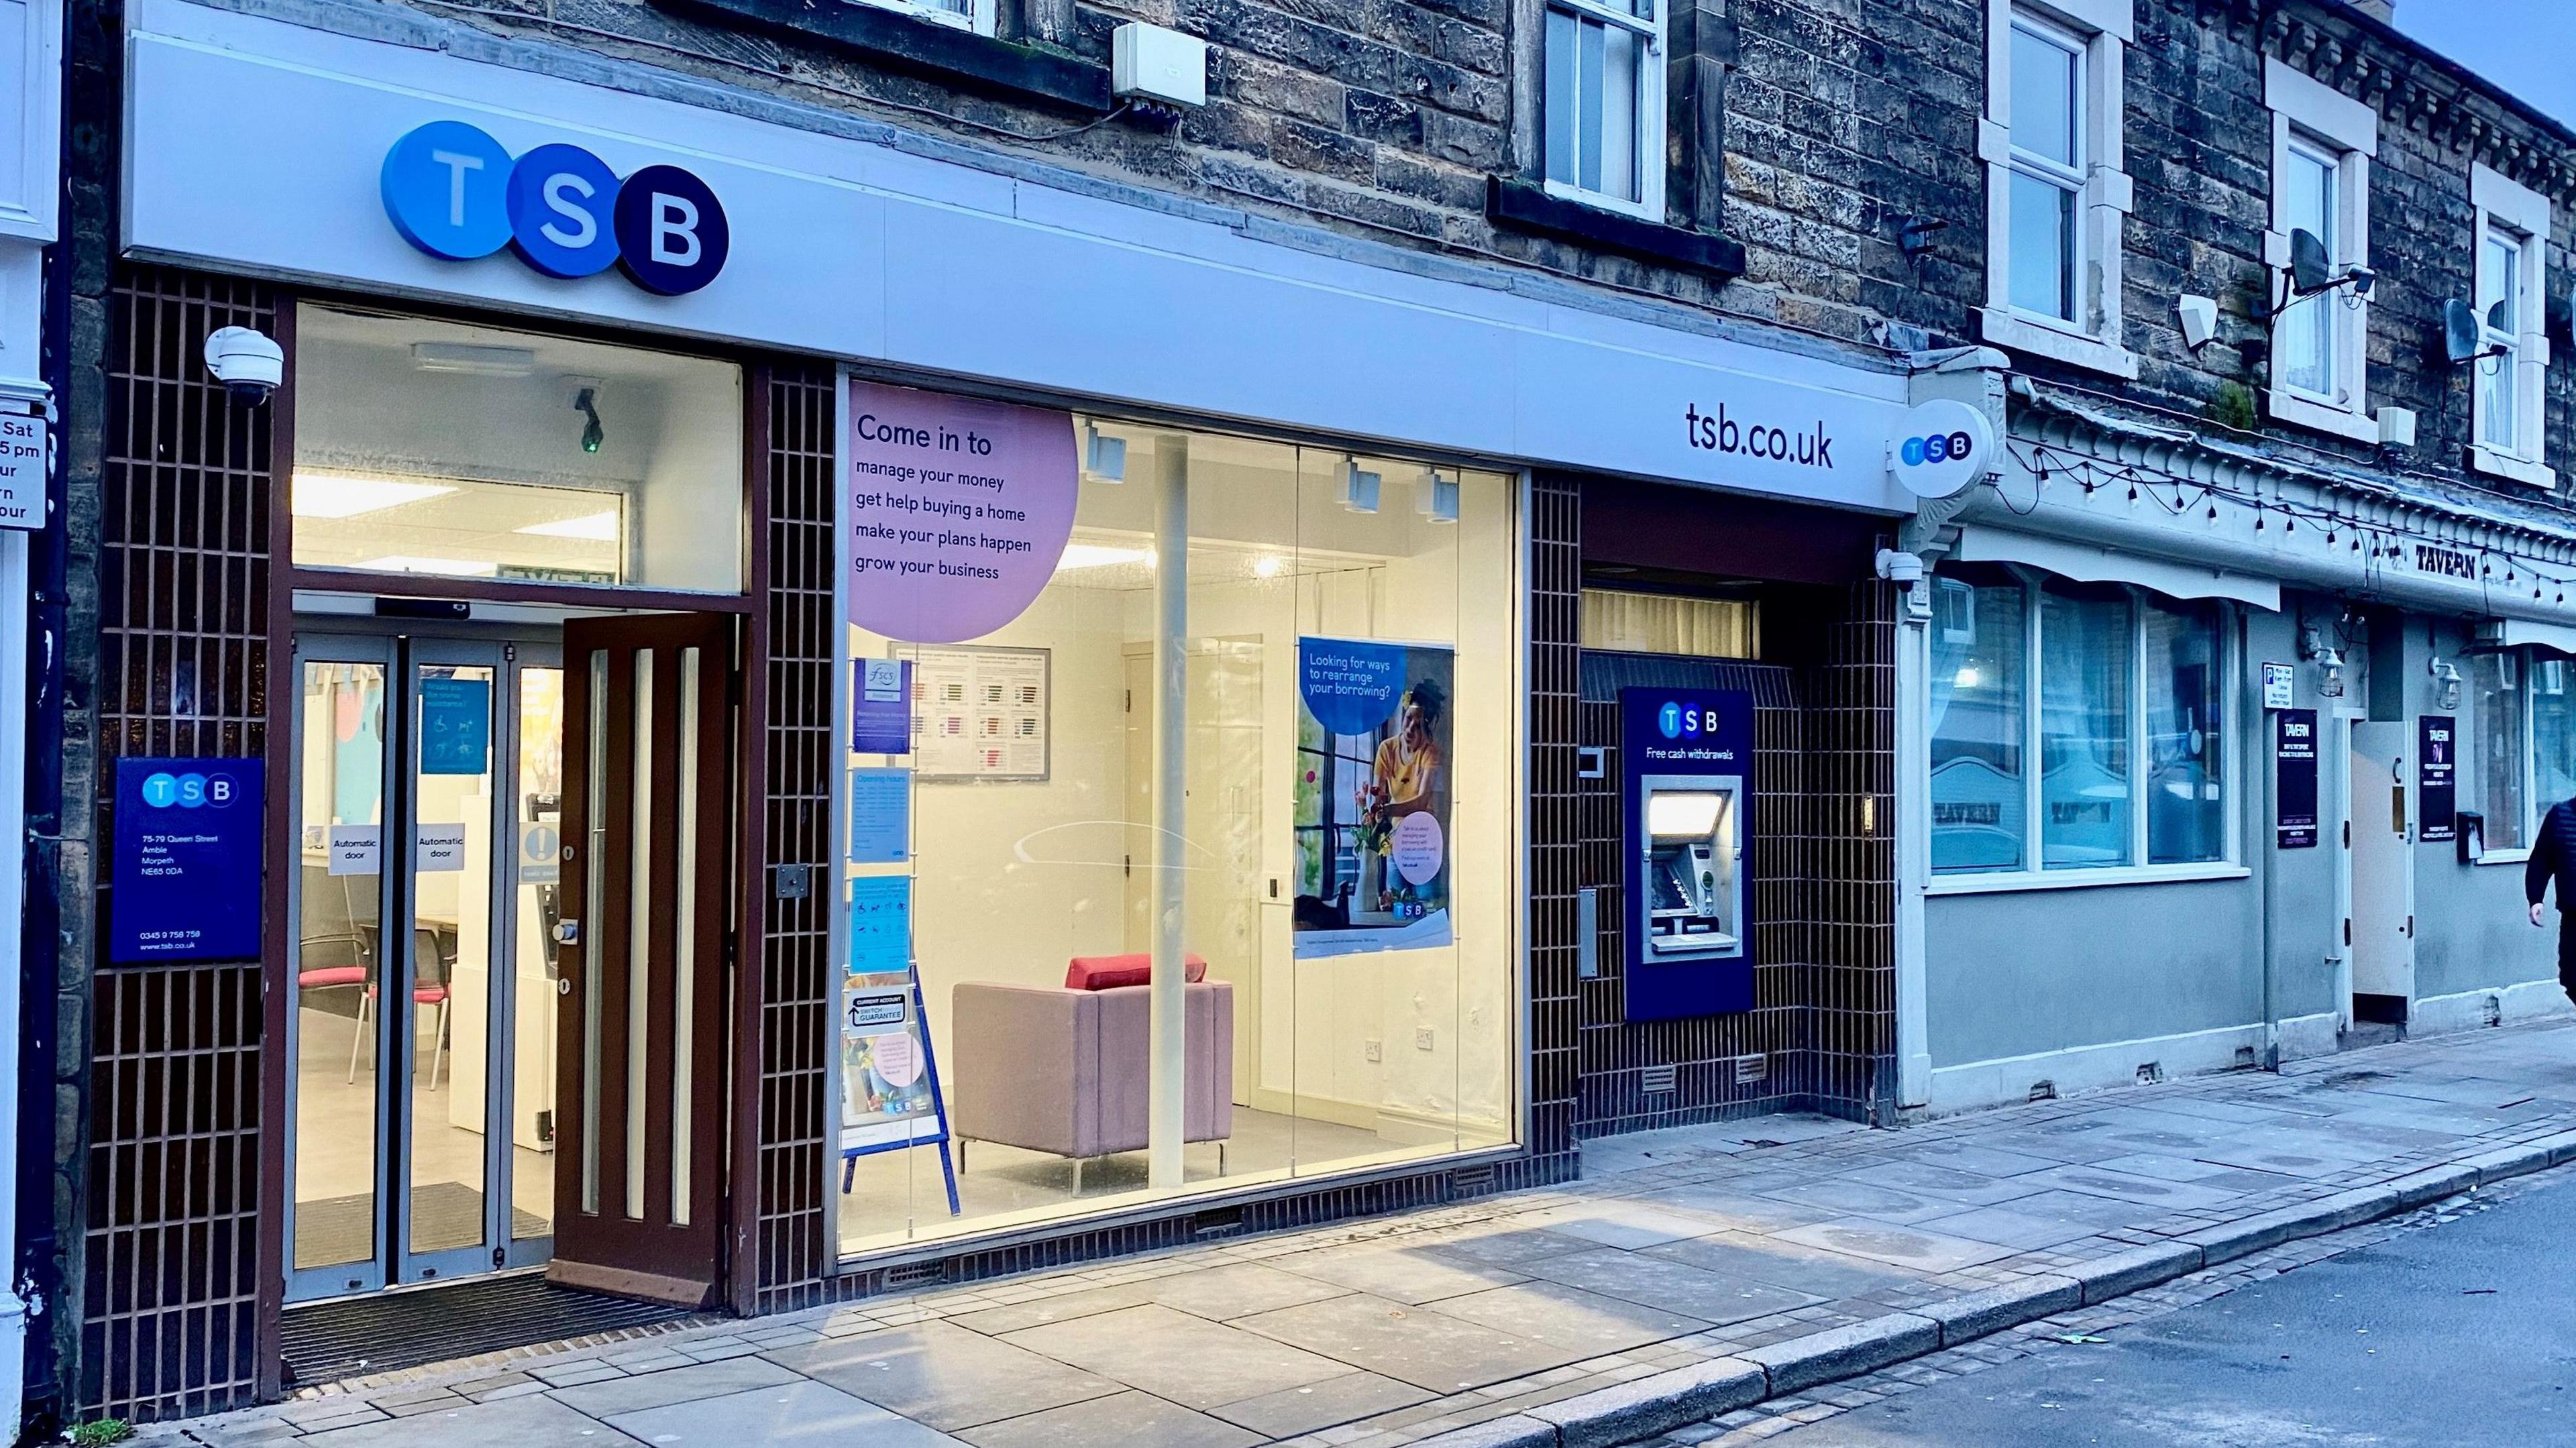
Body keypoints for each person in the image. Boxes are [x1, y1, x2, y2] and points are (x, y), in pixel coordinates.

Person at [2524, 793, 2576, 1005]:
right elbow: (2542, 859)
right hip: (2574, 914)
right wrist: (2536, 898)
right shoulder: (2561, 815)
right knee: (2571, 976)